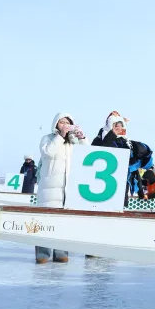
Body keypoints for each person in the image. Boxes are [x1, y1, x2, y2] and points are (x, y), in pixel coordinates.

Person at [35, 112, 89, 263]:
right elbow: (48, 153)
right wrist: (60, 136)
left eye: (67, 122)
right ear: (56, 124)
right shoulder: (48, 138)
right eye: (62, 122)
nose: (64, 125)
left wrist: (82, 138)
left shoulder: (73, 142)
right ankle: (43, 253)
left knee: (63, 220)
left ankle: (61, 252)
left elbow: (88, 154)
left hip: (68, 187)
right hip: (49, 186)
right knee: (46, 219)